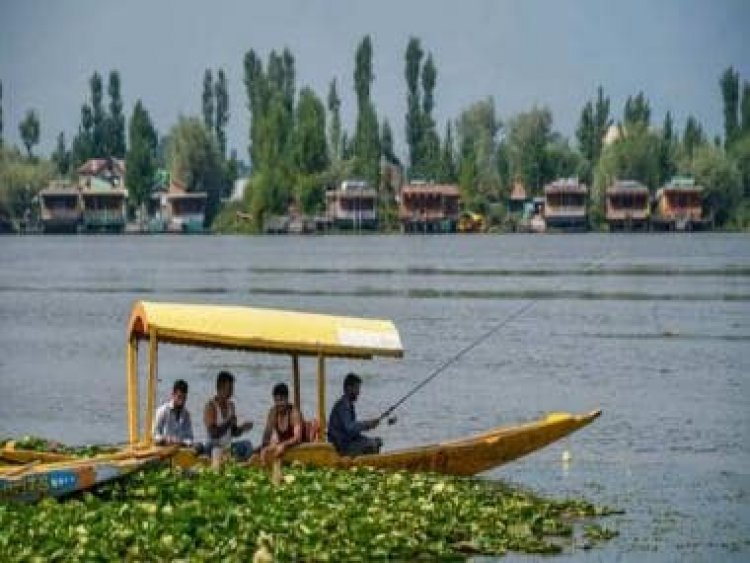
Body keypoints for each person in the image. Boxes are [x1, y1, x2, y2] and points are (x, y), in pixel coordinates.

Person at [327, 372, 382, 456]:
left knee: (377, 441)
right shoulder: (344, 405)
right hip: (341, 446)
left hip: (346, 442)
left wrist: (369, 424)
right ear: (349, 388)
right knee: (373, 444)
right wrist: (367, 425)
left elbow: (351, 429)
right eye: (357, 388)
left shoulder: (347, 404)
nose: (359, 392)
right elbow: (350, 428)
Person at [203, 370, 254, 460]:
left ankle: (234, 462)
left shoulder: (231, 405)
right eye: (229, 389)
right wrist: (228, 422)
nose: (231, 392)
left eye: (232, 389)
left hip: (227, 447)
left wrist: (243, 428)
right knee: (214, 446)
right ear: (220, 388)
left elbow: (233, 433)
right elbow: (213, 433)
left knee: (247, 445)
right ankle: (227, 460)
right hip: (213, 446)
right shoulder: (210, 406)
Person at [260, 383, 304, 462]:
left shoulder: (294, 413)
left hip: (295, 447)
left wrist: (284, 445)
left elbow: (297, 438)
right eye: (276, 401)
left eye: (281, 400)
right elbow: (267, 434)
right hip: (280, 447)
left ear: (287, 399)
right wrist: (264, 448)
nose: (279, 404)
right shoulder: (273, 412)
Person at [153, 379, 194, 446]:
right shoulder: (162, 411)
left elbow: (190, 438)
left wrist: (181, 442)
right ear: (173, 395)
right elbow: (154, 435)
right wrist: (165, 439)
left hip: (180, 450)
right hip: (163, 450)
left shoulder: (186, 414)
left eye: (184, 398)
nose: (181, 402)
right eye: (179, 397)